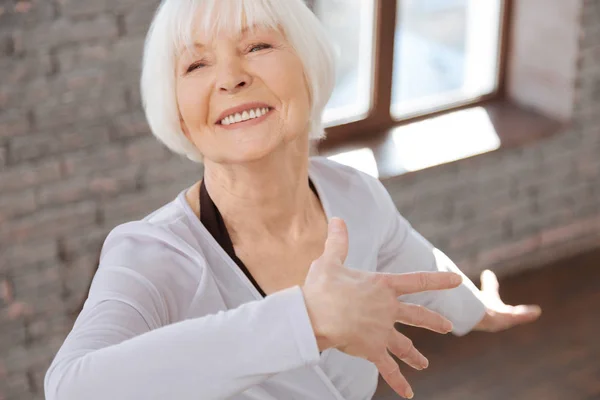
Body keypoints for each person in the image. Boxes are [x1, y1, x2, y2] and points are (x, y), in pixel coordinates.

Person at [44, 1, 541, 399]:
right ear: (176, 112)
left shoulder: (355, 194)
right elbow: (71, 388)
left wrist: (481, 310)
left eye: (257, 45)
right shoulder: (151, 256)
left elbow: (419, 267)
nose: (230, 77)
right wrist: (308, 321)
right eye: (196, 63)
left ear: (310, 67)